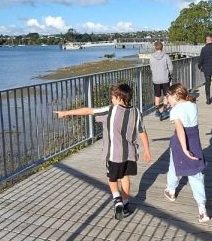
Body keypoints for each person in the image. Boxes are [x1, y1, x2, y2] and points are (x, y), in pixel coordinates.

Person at [55, 83, 151, 220]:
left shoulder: (110, 110)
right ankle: (125, 203)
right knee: (125, 177)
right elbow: (142, 132)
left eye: (112, 97)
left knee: (112, 178)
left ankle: (117, 199)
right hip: (129, 153)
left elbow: (89, 111)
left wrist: (66, 113)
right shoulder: (136, 112)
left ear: (118, 98)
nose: (111, 99)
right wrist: (147, 150)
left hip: (113, 154)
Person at [163, 83, 210, 223]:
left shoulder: (175, 111)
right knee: (196, 174)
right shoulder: (192, 104)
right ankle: (202, 207)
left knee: (174, 166)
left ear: (176, 96)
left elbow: (180, 130)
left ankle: (171, 190)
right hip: (195, 140)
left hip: (180, 142)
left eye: (168, 96)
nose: (167, 99)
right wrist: (168, 104)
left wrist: (184, 149)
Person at [149, 41, 173, 119]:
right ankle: (165, 109)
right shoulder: (166, 56)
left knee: (157, 95)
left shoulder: (152, 56)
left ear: (155, 47)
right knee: (166, 94)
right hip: (165, 78)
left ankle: (157, 111)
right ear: (162, 47)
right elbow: (170, 67)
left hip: (156, 79)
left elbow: (151, 67)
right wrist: (170, 74)